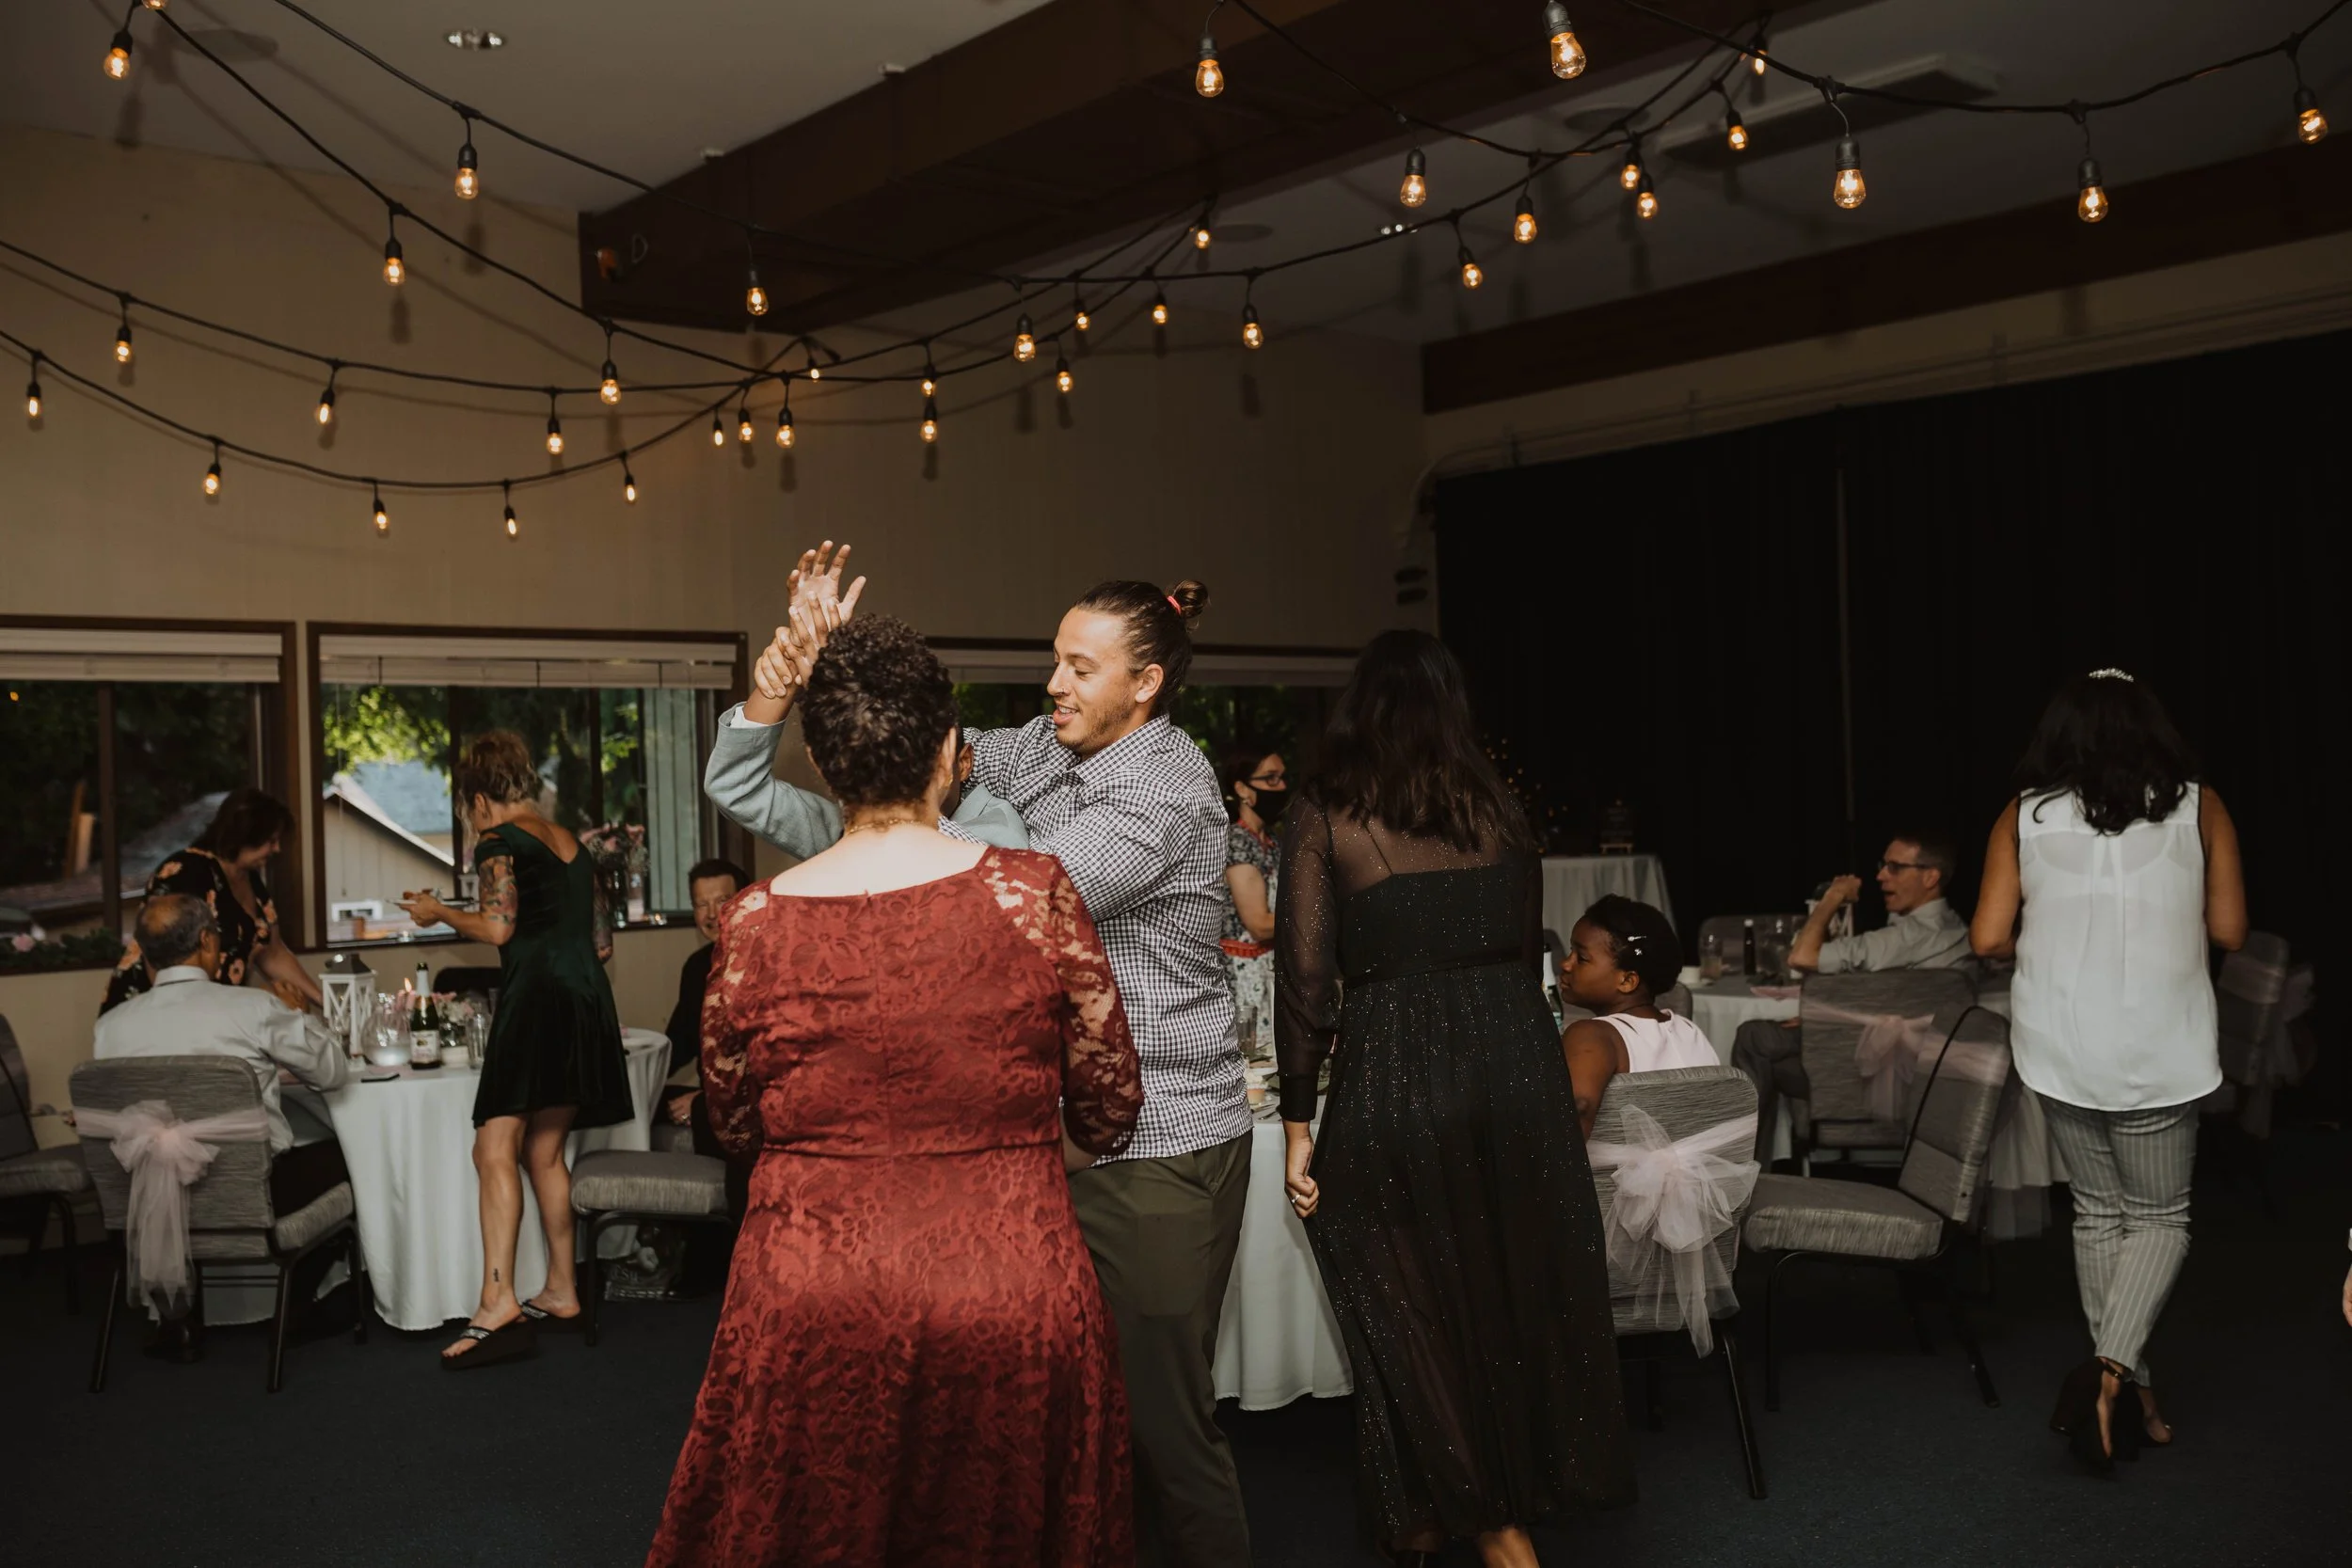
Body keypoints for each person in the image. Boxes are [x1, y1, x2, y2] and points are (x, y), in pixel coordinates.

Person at [708, 543, 1257, 1566]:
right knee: (1070, 1431)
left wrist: (879, 842)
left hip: (1154, 1143)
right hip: (1051, 1148)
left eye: (1080, 668)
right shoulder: (1055, 745)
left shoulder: (1166, 789)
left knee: (1163, 1430)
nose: (1053, 684)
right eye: (1055, 659)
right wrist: (826, 664)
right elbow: (915, 742)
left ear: (1145, 684)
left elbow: (1018, 891)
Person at [647, 615, 1142, 1567]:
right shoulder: (1033, 891)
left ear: (828, 771)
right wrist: (1012, 1157)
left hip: (813, 1287)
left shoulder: (750, 925)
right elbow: (1109, 1105)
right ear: (951, 755)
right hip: (1006, 1275)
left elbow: (734, 1120)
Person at [1278, 629, 1633, 1567]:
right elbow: (1526, 955)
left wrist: (1295, 1120)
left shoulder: (1327, 813)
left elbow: (1307, 984)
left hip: (1398, 1066)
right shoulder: (1501, 809)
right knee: (1499, 1290)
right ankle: (1434, 1502)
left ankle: (1492, 1523)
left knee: (1399, 1294)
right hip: (1514, 1067)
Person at [1969, 669, 2246, 1474]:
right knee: (2159, 1218)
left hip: (2060, 1040)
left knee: (2096, 1216)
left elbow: (1988, 937)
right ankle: (2116, 1379)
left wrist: (2056, 934)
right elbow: (2229, 925)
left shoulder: (2023, 814)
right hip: (2162, 1041)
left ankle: (2122, 1386)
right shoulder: (2201, 804)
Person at [398, 731, 634, 1369]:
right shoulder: (573, 845)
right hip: (586, 998)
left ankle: (496, 1299)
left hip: (537, 998)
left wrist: (438, 912)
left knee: (491, 1146)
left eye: (465, 807)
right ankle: (562, 1287)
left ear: (478, 798)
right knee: (543, 1149)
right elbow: (602, 941)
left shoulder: (498, 843)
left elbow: (500, 925)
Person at [93, 893, 353, 1359]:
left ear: (146, 954)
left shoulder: (110, 1027)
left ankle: (181, 1322)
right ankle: (296, 1307)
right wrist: (306, 1022)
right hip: (253, 1196)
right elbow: (332, 1072)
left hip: (154, 1195)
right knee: (348, 1158)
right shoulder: (250, 1008)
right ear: (208, 941)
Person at [1731, 828, 1971, 1164]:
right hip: (1932, 1067)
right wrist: (1829, 1010)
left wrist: (1833, 896)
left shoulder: (1903, 937)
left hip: (1865, 1065)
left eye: (1895, 867)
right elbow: (1902, 994)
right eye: (1883, 865)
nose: (1881, 876)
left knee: (1753, 1037)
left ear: (1931, 877)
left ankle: (1749, 1167)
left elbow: (1802, 957)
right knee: (1772, 1045)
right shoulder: (1959, 929)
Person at [102, 786, 319, 1014]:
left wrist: (327, 1002)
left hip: (214, 1016)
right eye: (271, 840)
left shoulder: (252, 881)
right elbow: (159, 954)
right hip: (157, 1015)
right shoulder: (185, 872)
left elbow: (272, 953)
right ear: (246, 834)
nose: (277, 849)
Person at [1559, 896, 1718, 1125]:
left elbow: (1578, 1107)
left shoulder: (1592, 1035)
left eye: (1581, 958)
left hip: (1617, 1162)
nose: (1565, 964)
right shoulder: (1690, 1031)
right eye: (1571, 950)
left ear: (1627, 981)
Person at [1218, 745, 1286, 1063]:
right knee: (1252, 1064)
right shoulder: (1236, 841)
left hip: (1272, 970)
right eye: (1270, 779)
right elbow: (1259, 924)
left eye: (1282, 778)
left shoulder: (1273, 842)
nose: (1281, 787)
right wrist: (1320, 917)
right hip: (1243, 976)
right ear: (1243, 789)